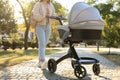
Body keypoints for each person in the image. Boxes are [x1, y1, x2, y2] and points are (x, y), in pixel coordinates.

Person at [32, 0, 55, 69]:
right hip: (40, 26)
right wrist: (44, 16)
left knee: (44, 44)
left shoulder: (51, 5)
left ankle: (40, 62)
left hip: (48, 26)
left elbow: (53, 15)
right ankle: (42, 61)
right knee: (42, 43)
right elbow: (35, 15)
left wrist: (56, 17)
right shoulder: (38, 4)